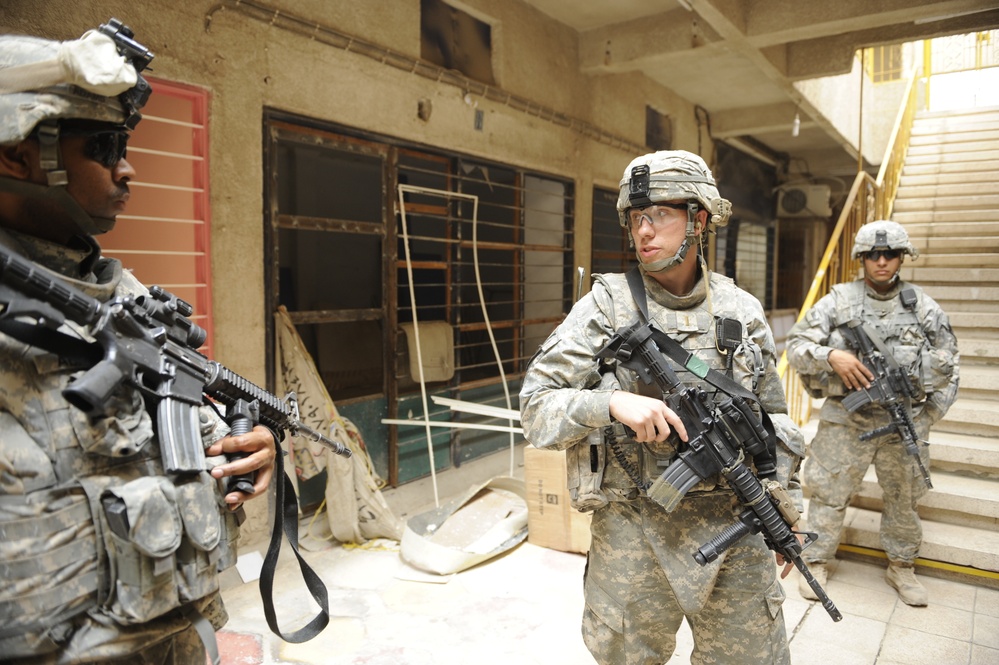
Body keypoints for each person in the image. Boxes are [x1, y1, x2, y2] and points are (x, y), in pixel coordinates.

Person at [0, 21, 277, 663]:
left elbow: (166, 433)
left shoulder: (119, 292)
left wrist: (238, 445)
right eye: (101, 146)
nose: (127, 169)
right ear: (17, 155)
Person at [520, 150, 805, 664]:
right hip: (635, 532)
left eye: (661, 215)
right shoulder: (605, 307)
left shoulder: (740, 310)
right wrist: (611, 403)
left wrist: (785, 509)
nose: (644, 231)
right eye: (635, 218)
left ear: (698, 220)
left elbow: (773, 423)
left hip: (735, 524)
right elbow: (536, 409)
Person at [785, 219, 959, 607]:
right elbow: (796, 345)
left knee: (903, 499)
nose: (882, 261)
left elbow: (952, 363)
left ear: (902, 258)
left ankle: (901, 566)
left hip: (903, 422)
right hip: (848, 419)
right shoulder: (838, 301)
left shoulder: (922, 307)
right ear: (861, 258)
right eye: (873, 255)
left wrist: (929, 414)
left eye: (891, 254)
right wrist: (831, 355)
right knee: (829, 494)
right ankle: (816, 559)